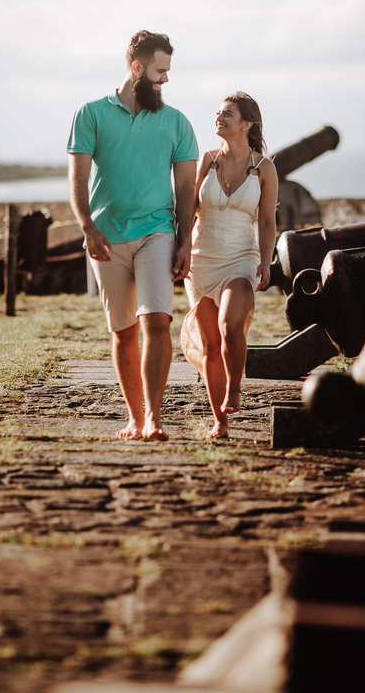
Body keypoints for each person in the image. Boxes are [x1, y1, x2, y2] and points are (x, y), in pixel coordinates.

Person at [67, 30, 198, 442]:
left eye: (168, 72)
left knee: (157, 320)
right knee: (123, 332)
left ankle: (156, 417)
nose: (165, 80)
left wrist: (184, 240)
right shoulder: (90, 114)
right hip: (106, 239)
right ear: (137, 68)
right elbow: (78, 178)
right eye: (160, 71)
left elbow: (186, 189)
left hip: (156, 232)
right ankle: (134, 418)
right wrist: (87, 227)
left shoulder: (177, 121)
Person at [184, 92, 278, 438]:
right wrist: (180, 250)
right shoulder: (206, 161)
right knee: (210, 343)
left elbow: (267, 222)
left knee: (228, 325)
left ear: (246, 124)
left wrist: (266, 262)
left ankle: (234, 388)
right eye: (218, 113)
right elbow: (188, 211)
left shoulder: (264, 168)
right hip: (200, 259)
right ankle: (219, 422)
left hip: (241, 258)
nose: (218, 119)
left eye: (228, 114)